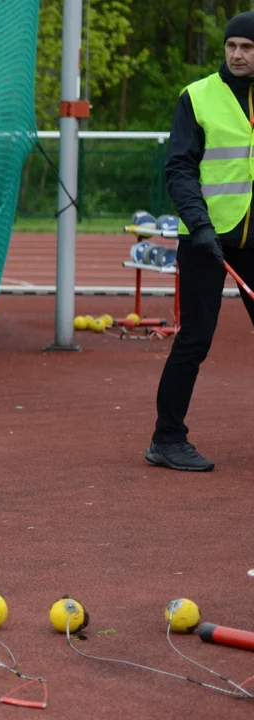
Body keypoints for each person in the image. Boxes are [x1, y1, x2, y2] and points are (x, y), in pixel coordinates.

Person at [147, 11, 254, 472]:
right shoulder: (198, 97)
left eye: (247, 47)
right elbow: (180, 168)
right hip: (206, 238)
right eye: (232, 46)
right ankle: (166, 439)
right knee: (195, 338)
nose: (237, 54)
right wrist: (201, 225)